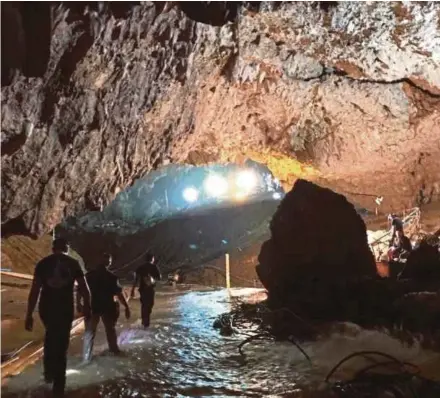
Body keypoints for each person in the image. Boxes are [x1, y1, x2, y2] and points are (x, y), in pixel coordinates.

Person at [25, 238, 91, 397]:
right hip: (64, 308)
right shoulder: (73, 263)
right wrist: (86, 308)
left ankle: (48, 373)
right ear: (67, 248)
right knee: (61, 344)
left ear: (53, 248)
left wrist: (28, 314)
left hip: (46, 309)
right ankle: (58, 386)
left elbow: (35, 291)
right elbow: (84, 289)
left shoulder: (43, 263)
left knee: (50, 335)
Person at [81, 253, 131, 363]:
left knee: (90, 332)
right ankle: (114, 351)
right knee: (110, 330)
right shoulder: (111, 277)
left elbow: (81, 290)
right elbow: (119, 294)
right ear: (109, 263)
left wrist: (80, 305)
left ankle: (86, 356)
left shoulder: (88, 276)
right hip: (107, 307)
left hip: (92, 306)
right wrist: (126, 307)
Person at [130, 252, 161, 328]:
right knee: (150, 305)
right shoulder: (154, 267)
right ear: (152, 259)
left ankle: (144, 320)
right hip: (150, 289)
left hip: (142, 289)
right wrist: (153, 277)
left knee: (144, 305)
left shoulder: (140, 267)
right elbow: (159, 278)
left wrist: (133, 289)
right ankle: (146, 321)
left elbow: (136, 279)